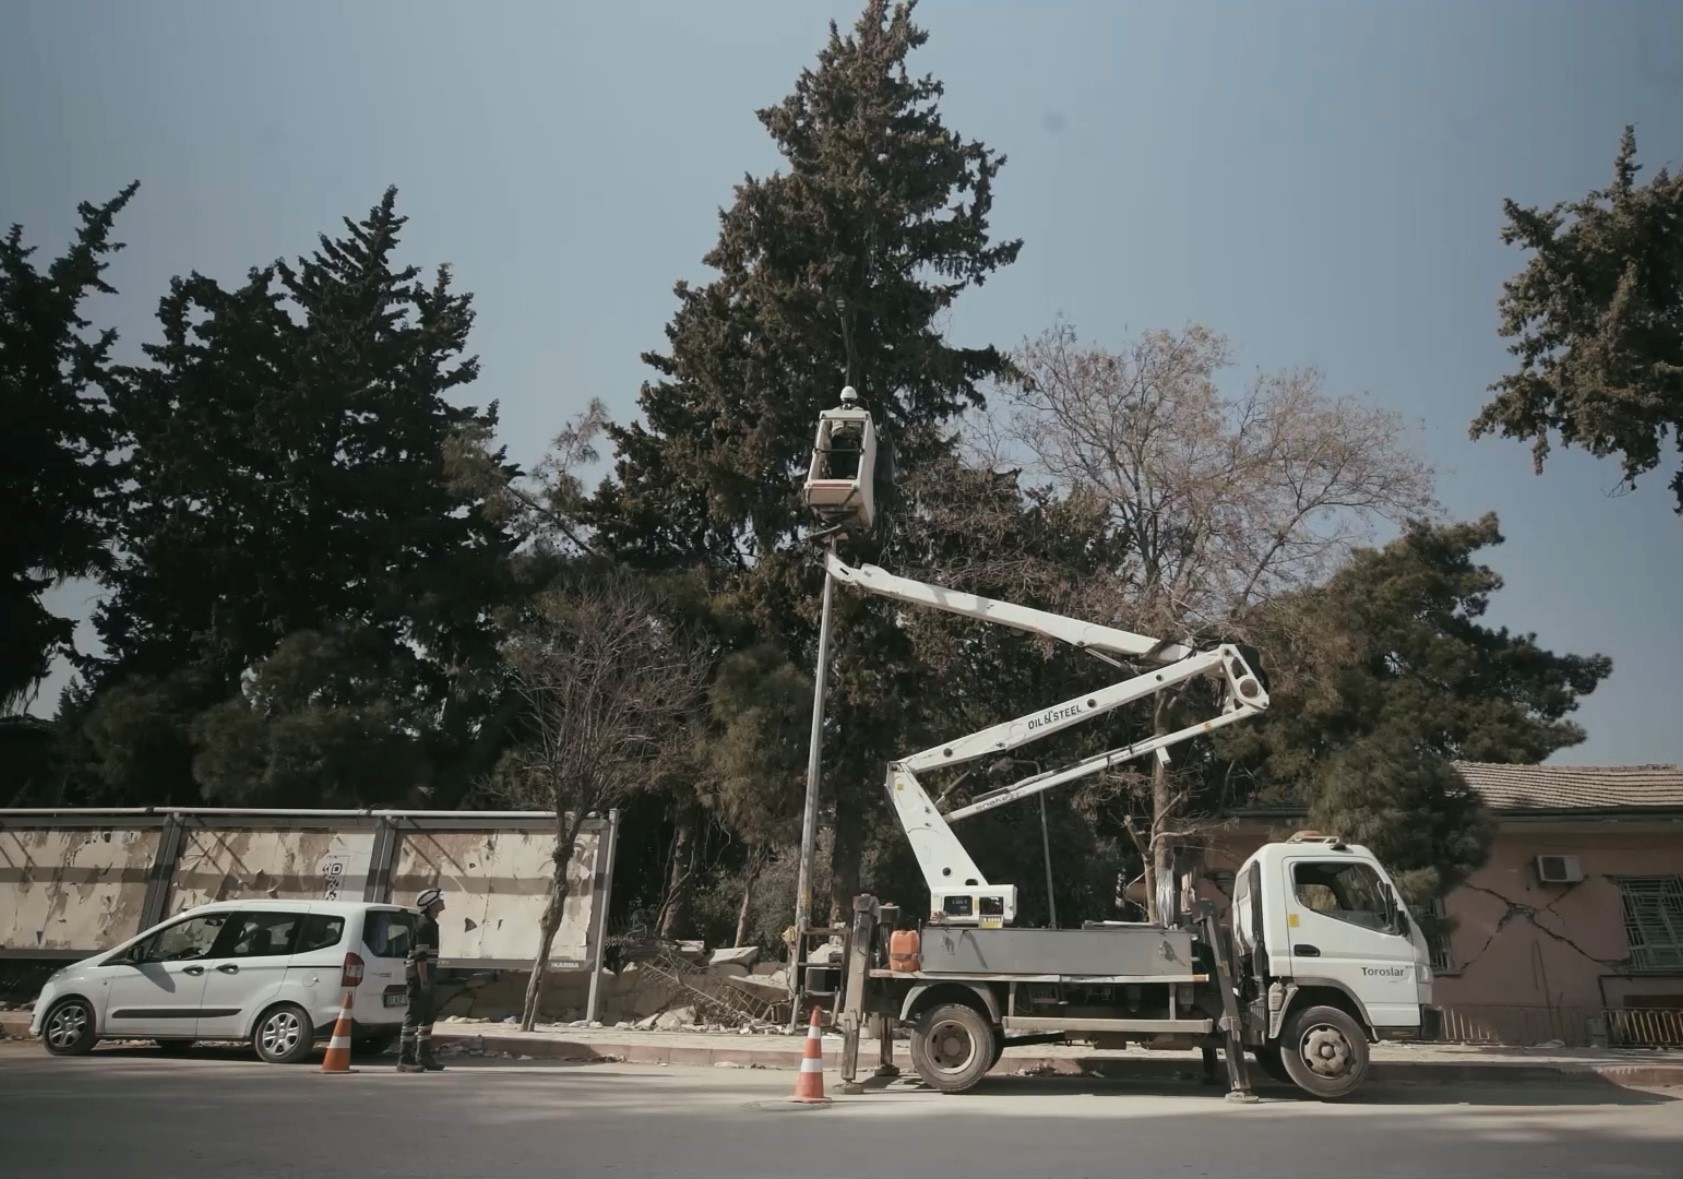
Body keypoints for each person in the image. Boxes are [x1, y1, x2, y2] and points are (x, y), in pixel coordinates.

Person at [398, 887, 446, 1073]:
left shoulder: (431, 923)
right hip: (419, 977)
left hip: (427, 977)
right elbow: (421, 957)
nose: (442, 902)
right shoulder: (424, 925)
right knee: (414, 1016)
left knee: (427, 1017)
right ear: (431, 905)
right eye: (439, 900)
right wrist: (424, 980)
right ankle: (405, 1059)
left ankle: (424, 1056)